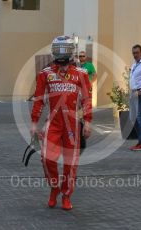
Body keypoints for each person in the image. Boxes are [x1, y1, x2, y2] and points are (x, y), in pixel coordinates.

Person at [31, 36, 92, 210]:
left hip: (72, 123)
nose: (62, 53)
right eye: (59, 49)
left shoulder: (81, 74)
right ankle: (54, 187)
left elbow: (87, 99)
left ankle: (66, 195)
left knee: (70, 163)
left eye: (65, 49)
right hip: (54, 122)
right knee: (46, 158)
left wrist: (87, 122)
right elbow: (39, 99)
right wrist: (34, 123)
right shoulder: (46, 74)